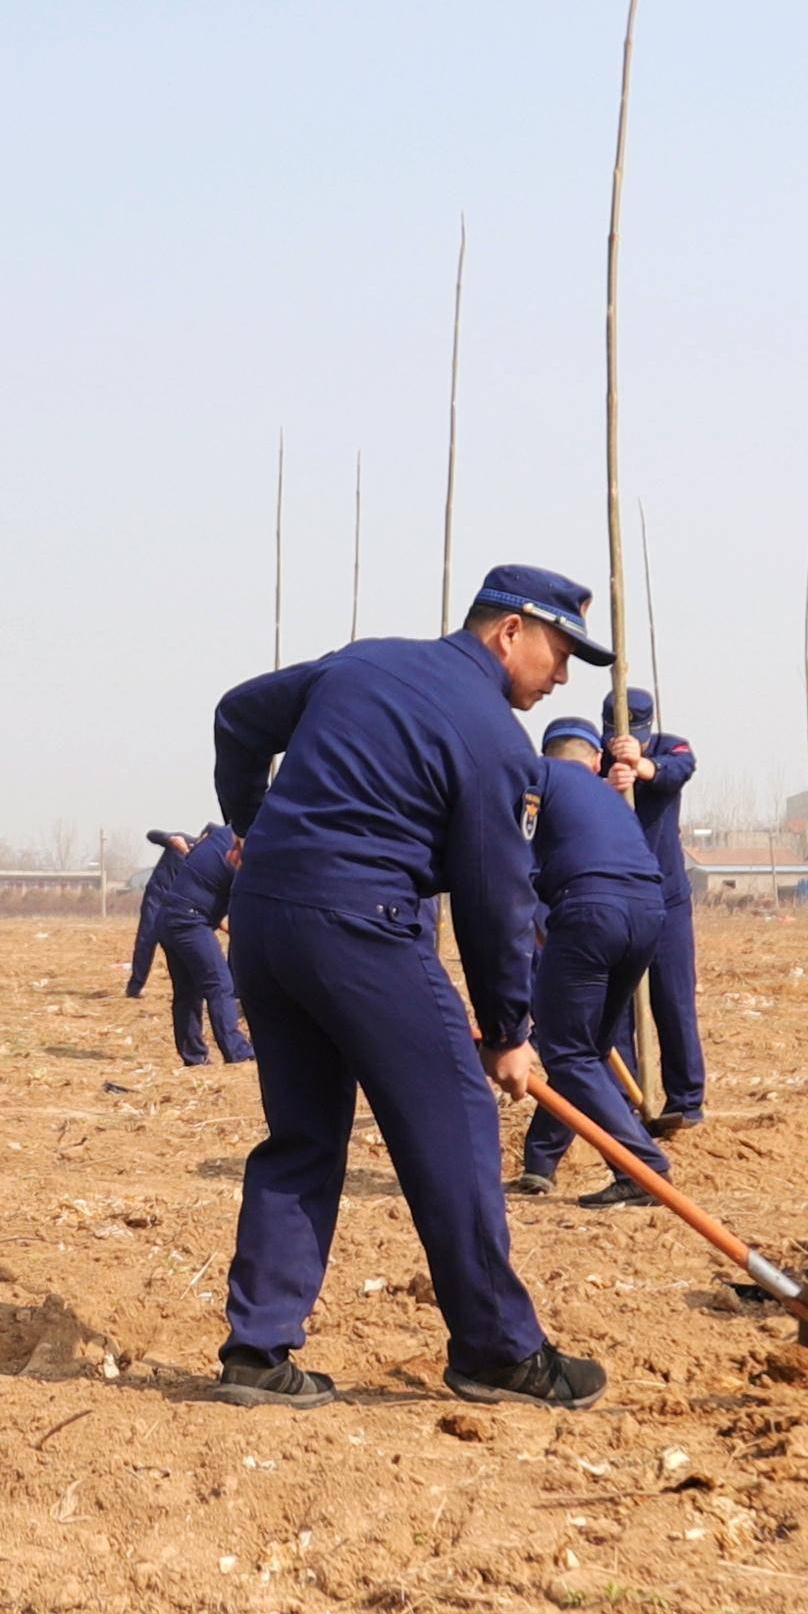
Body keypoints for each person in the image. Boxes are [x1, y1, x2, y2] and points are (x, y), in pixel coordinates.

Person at [201, 564, 605, 1411]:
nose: (563, 675)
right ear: (509, 632)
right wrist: (507, 1029)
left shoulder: (362, 662)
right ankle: (498, 1349)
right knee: (453, 1129)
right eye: (560, 651)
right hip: (359, 926)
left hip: (265, 922)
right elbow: (497, 899)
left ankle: (257, 1351)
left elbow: (238, 713)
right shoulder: (497, 742)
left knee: (303, 1135)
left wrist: (253, 822)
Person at [512, 718, 672, 1203]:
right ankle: (541, 1163)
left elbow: (515, 861)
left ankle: (643, 1169)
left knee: (566, 1051)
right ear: (596, 760)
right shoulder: (609, 795)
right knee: (586, 1052)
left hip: (590, 912)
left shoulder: (534, 782)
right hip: (648, 913)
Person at [620, 688, 709, 1129]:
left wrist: (643, 767)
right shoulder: (600, 760)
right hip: (616, 902)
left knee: (673, 1001)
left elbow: (681, 769)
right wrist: (609, 782)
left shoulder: (668, 747)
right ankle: (621, 1102)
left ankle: (686, 1102)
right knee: (615, 1009)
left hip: (667, 899)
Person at [123, 823, 252, 1065]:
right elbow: (246, 896)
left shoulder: (218, 840)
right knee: (219, 984)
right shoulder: (241, 848)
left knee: (187, 992)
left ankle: (194, 1055)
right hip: (189, 922)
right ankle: (237, 1052)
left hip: (169, 918)